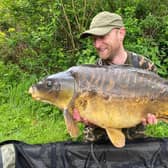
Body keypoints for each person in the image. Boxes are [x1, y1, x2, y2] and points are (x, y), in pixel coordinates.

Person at [77, 11, 158, 142]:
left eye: (102, 37)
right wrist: (90, 120)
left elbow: (156, 104)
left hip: (135, 143)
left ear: (121, 33)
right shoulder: (90, 76)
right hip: (98, 145)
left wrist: (154, 113)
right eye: (94, 39)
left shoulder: (145, 67)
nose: (97, 45)